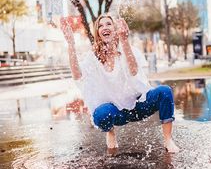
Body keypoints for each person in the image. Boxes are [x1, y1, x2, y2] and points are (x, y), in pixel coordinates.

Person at [61, 14, 179, 153]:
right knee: (100, 115)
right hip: (117, 112)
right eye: (100, 25)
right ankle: (110, 133)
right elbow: (78, 75)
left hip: (139, 106)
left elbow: (134, 71)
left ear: (116, 29)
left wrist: (124, 40)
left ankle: (168, 140)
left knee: (165, 91)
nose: (105, 27)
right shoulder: (94, 57)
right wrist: (70, 44)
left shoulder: (128, 49)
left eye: (109, 24)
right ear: (97, 33)